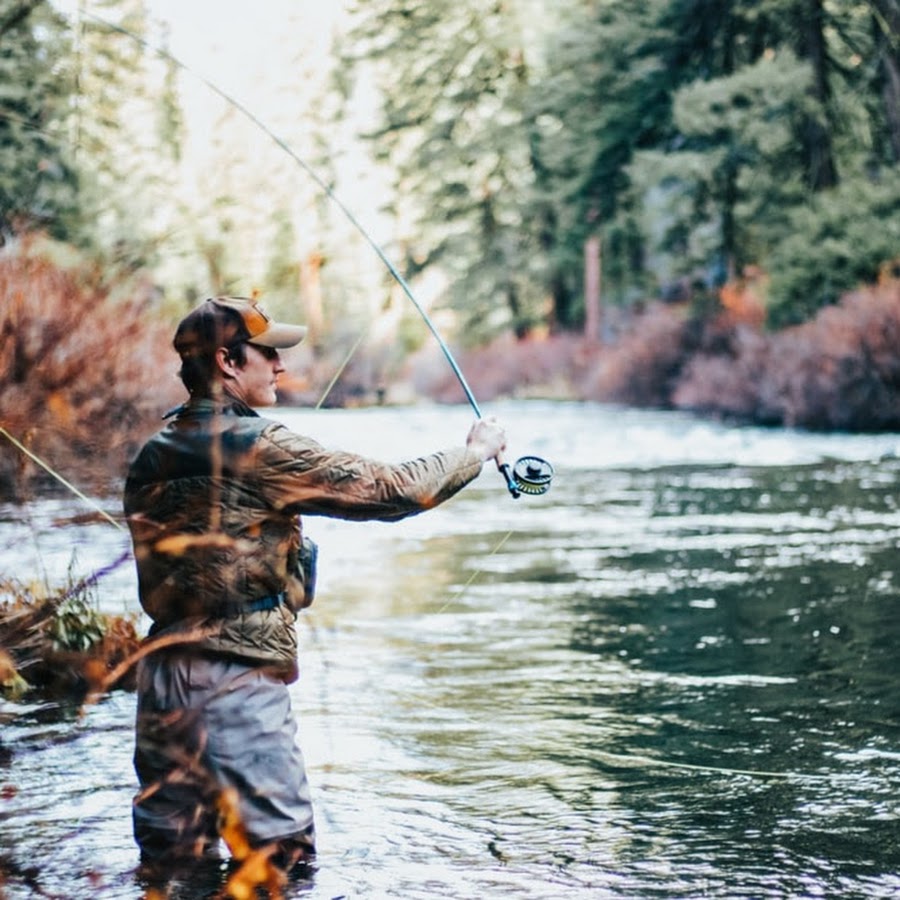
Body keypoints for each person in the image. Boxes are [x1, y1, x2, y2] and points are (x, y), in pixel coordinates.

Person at [123, 296, 506, 875]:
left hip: (161, 683)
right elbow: (391, 490)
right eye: (268, 353)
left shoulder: (152, 455)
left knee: (172, 872)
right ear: (227, 361)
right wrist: (474, 453)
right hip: (235, 681)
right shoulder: (261, 447)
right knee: (281, 867)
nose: (279, 366)